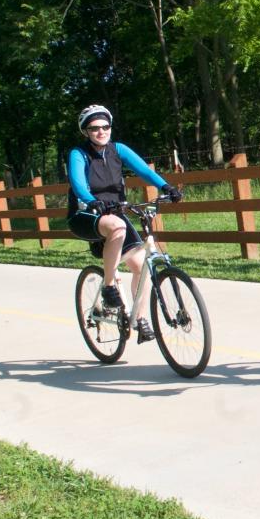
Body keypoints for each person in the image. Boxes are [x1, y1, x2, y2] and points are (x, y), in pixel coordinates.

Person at [66, 104, 183, 344]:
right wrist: (91, 200)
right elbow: (77, 184)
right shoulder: (79, 153)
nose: (101, 131)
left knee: (140, 265)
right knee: (117, 227)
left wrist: (166, 187)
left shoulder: (118, 149)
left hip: (114, 212)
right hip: (85, 213)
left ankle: (139, 319)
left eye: (105, 126)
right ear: (86, 131)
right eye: (94, 128)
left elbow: (144, 171)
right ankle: (109, 287)